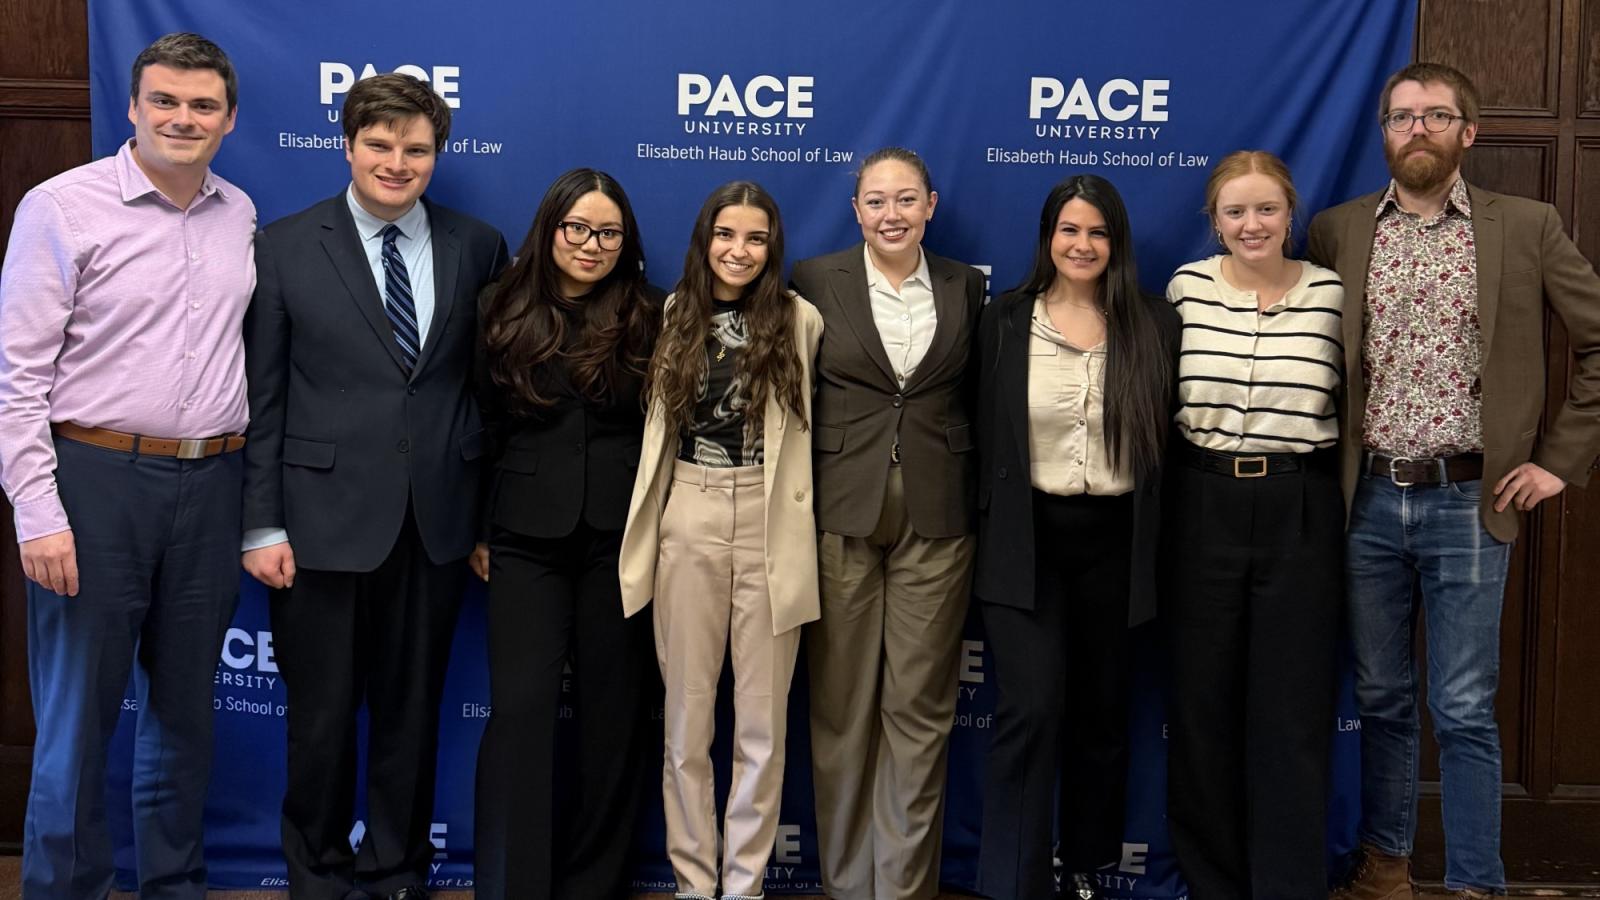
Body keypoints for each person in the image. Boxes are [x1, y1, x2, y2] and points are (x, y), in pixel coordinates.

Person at [1309, 63, 1600, 900]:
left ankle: (1478, 882)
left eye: (1437, 115)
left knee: (1464, 707)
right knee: (1382, 697)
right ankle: (1387, 867)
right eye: (1402, 117)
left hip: (1472, 501)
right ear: (1384, 133)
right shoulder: (1338, 231)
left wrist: (1558, 463)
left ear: (1468, 133)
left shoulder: (1527, 226)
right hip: (1364, 501)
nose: (1418, 129)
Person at [240, 73, 508, 900]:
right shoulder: (283, 246)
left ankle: (396, 874)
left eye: (417, 149)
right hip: (317, 526)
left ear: (437, 156)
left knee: (411, 715)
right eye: (382, 145)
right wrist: (261, 526)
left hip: (435, 523)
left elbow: (489, 396)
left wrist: (487, 520)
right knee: (320, 723)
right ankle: (316, 876)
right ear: (348, 145)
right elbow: (265, 396)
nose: (398, 162)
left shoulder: (479, 246)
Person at [0, 32, 252, 900]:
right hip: (94, 483)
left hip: (214, 485)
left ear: (228, 118)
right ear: (136, 106)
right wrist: (37, 508)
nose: (183, 118)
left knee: (185, 718)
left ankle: (172, 886)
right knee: (77, 723)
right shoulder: (61, 207)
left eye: (203, 105)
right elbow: (18, 374)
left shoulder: (240, 213)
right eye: (166, 102)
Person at [973, 174, 1178, 900]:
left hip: (1118, 545)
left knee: (1101, 716)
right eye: (1069, 230)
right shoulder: (1002, 320)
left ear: (1115, 242)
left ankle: (1086, 869)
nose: (1082, 244)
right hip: (1027, 540)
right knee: (1029, 709)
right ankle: (1011, 882)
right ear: (1047, 238)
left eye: (1097, 232)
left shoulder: (1154, 323)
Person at [790, 147, 985, 900]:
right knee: (839, 713)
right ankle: (845, 885)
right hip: (838, 510)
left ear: (931, 206)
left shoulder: (966, 286)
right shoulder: (813, 280)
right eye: (877, 201)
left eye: (907, 199)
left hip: (937, 519)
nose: (892, 214)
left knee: (920, 711)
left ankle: (901, 888)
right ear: (856, 210)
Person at [618, 181, 823, 900]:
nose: (740, 251)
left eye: (756, 238)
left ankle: (745, 884)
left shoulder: (800, 320)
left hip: (772, 517)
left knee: (762, 726)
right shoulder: (674, 312)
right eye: (726, 235)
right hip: (689, 512)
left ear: (773, 248)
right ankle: (692, 883)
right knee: (687, 719)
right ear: (706, 240)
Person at [472, 168, 662, 900]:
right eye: (576, 228)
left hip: (623, 542)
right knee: (519, 715)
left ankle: (594, 886)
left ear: (626, 240)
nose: (591, 244)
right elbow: (482, 425)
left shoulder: (652, 311)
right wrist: (481, 527)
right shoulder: (499, 306)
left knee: (614, 720)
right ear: (550, 229)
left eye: (608, 232)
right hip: (522, 536)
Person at [1163, 151, 1345, 899]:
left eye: (1266, 209)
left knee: (1292, 710)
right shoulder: (1185, 289)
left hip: (1299, 505)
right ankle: (1212, 882)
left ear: (1289, 214)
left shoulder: (1332, 292)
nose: (1251, 224)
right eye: (1235, 211)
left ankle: (1287, 884)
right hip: (1202, 502)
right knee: (1201, 705)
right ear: (1214, 221)